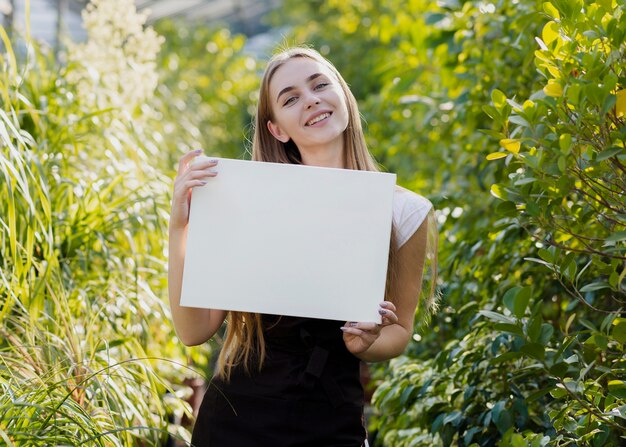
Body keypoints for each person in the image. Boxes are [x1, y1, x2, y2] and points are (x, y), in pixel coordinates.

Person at [168, 47, 437, 447]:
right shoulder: (244, 201)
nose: (310, 99)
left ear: (343, 95)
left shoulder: (405, 211)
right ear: (277, 128)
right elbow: (193, 330)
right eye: (290, 98)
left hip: (331, 425)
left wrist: (367, 342)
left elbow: (399, 331)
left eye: (319, 84)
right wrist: (180, 228)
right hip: (234, 424)